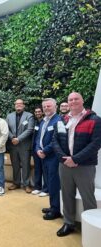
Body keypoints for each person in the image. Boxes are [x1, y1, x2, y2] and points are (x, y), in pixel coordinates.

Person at [53, 92, 101, 237]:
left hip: (85, 166)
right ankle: (69, 223)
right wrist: (64, 158)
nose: (73, 101)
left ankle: (91, 226)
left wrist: (76, 159)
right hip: (65, 165)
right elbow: (55, 141)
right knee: (67, 195)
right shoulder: (62, 120)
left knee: (88, 197)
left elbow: (96, 143)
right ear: (67, 102)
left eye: (76, 99)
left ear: (82, 101)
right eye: (70, 99)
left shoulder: (95, 120)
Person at [34, 98, 61, 220]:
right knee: (49, 183)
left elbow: (57, 139)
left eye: (49, 106)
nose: (46, 108)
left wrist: (44, 151)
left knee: (54, 184)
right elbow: (38, 137)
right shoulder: (43, 121)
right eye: (44, 107)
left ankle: (56, 210)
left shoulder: (58, 120)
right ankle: (53, 206)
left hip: (53, 157)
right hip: (43, 157)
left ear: (56, 107)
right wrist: (38, 149)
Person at [6, 99, 34, 193]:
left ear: (23, 105)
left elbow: (30, 129)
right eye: (16, 104)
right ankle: (16, 183)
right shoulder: (9, 116)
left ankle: (26, 184)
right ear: (14, 105)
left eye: (20, 104)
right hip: (13, 145)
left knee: (26, 165)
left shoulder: (29, 115)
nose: (18, 105)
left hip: (24, 145)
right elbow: (6, 129)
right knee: (15, 165)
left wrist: (18, 139)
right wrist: (12, 137)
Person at [31, 106, 48, 196]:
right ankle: (37, 187)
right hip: (35, 149)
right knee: (37, 169)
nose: (37, 113)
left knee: (45, 170)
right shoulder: (34, 122)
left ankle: (46, 189)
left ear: (42, 112)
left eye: (39, 111)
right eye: (36, 112)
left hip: (44, 150)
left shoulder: (45, 122)